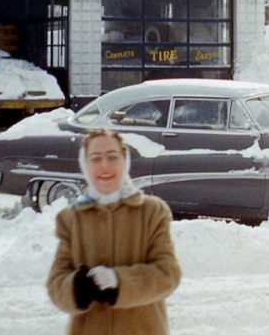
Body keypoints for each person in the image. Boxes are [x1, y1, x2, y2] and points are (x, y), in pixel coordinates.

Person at [47, 128, 181, 335]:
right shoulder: (70, 218)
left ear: (125, 161)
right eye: (95, 158)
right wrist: (75, 288)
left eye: (112, 156)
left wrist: (120, 282)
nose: (105, 166)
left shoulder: (152, 211)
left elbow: (168, 273)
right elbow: (56, 282)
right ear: (85, 165)